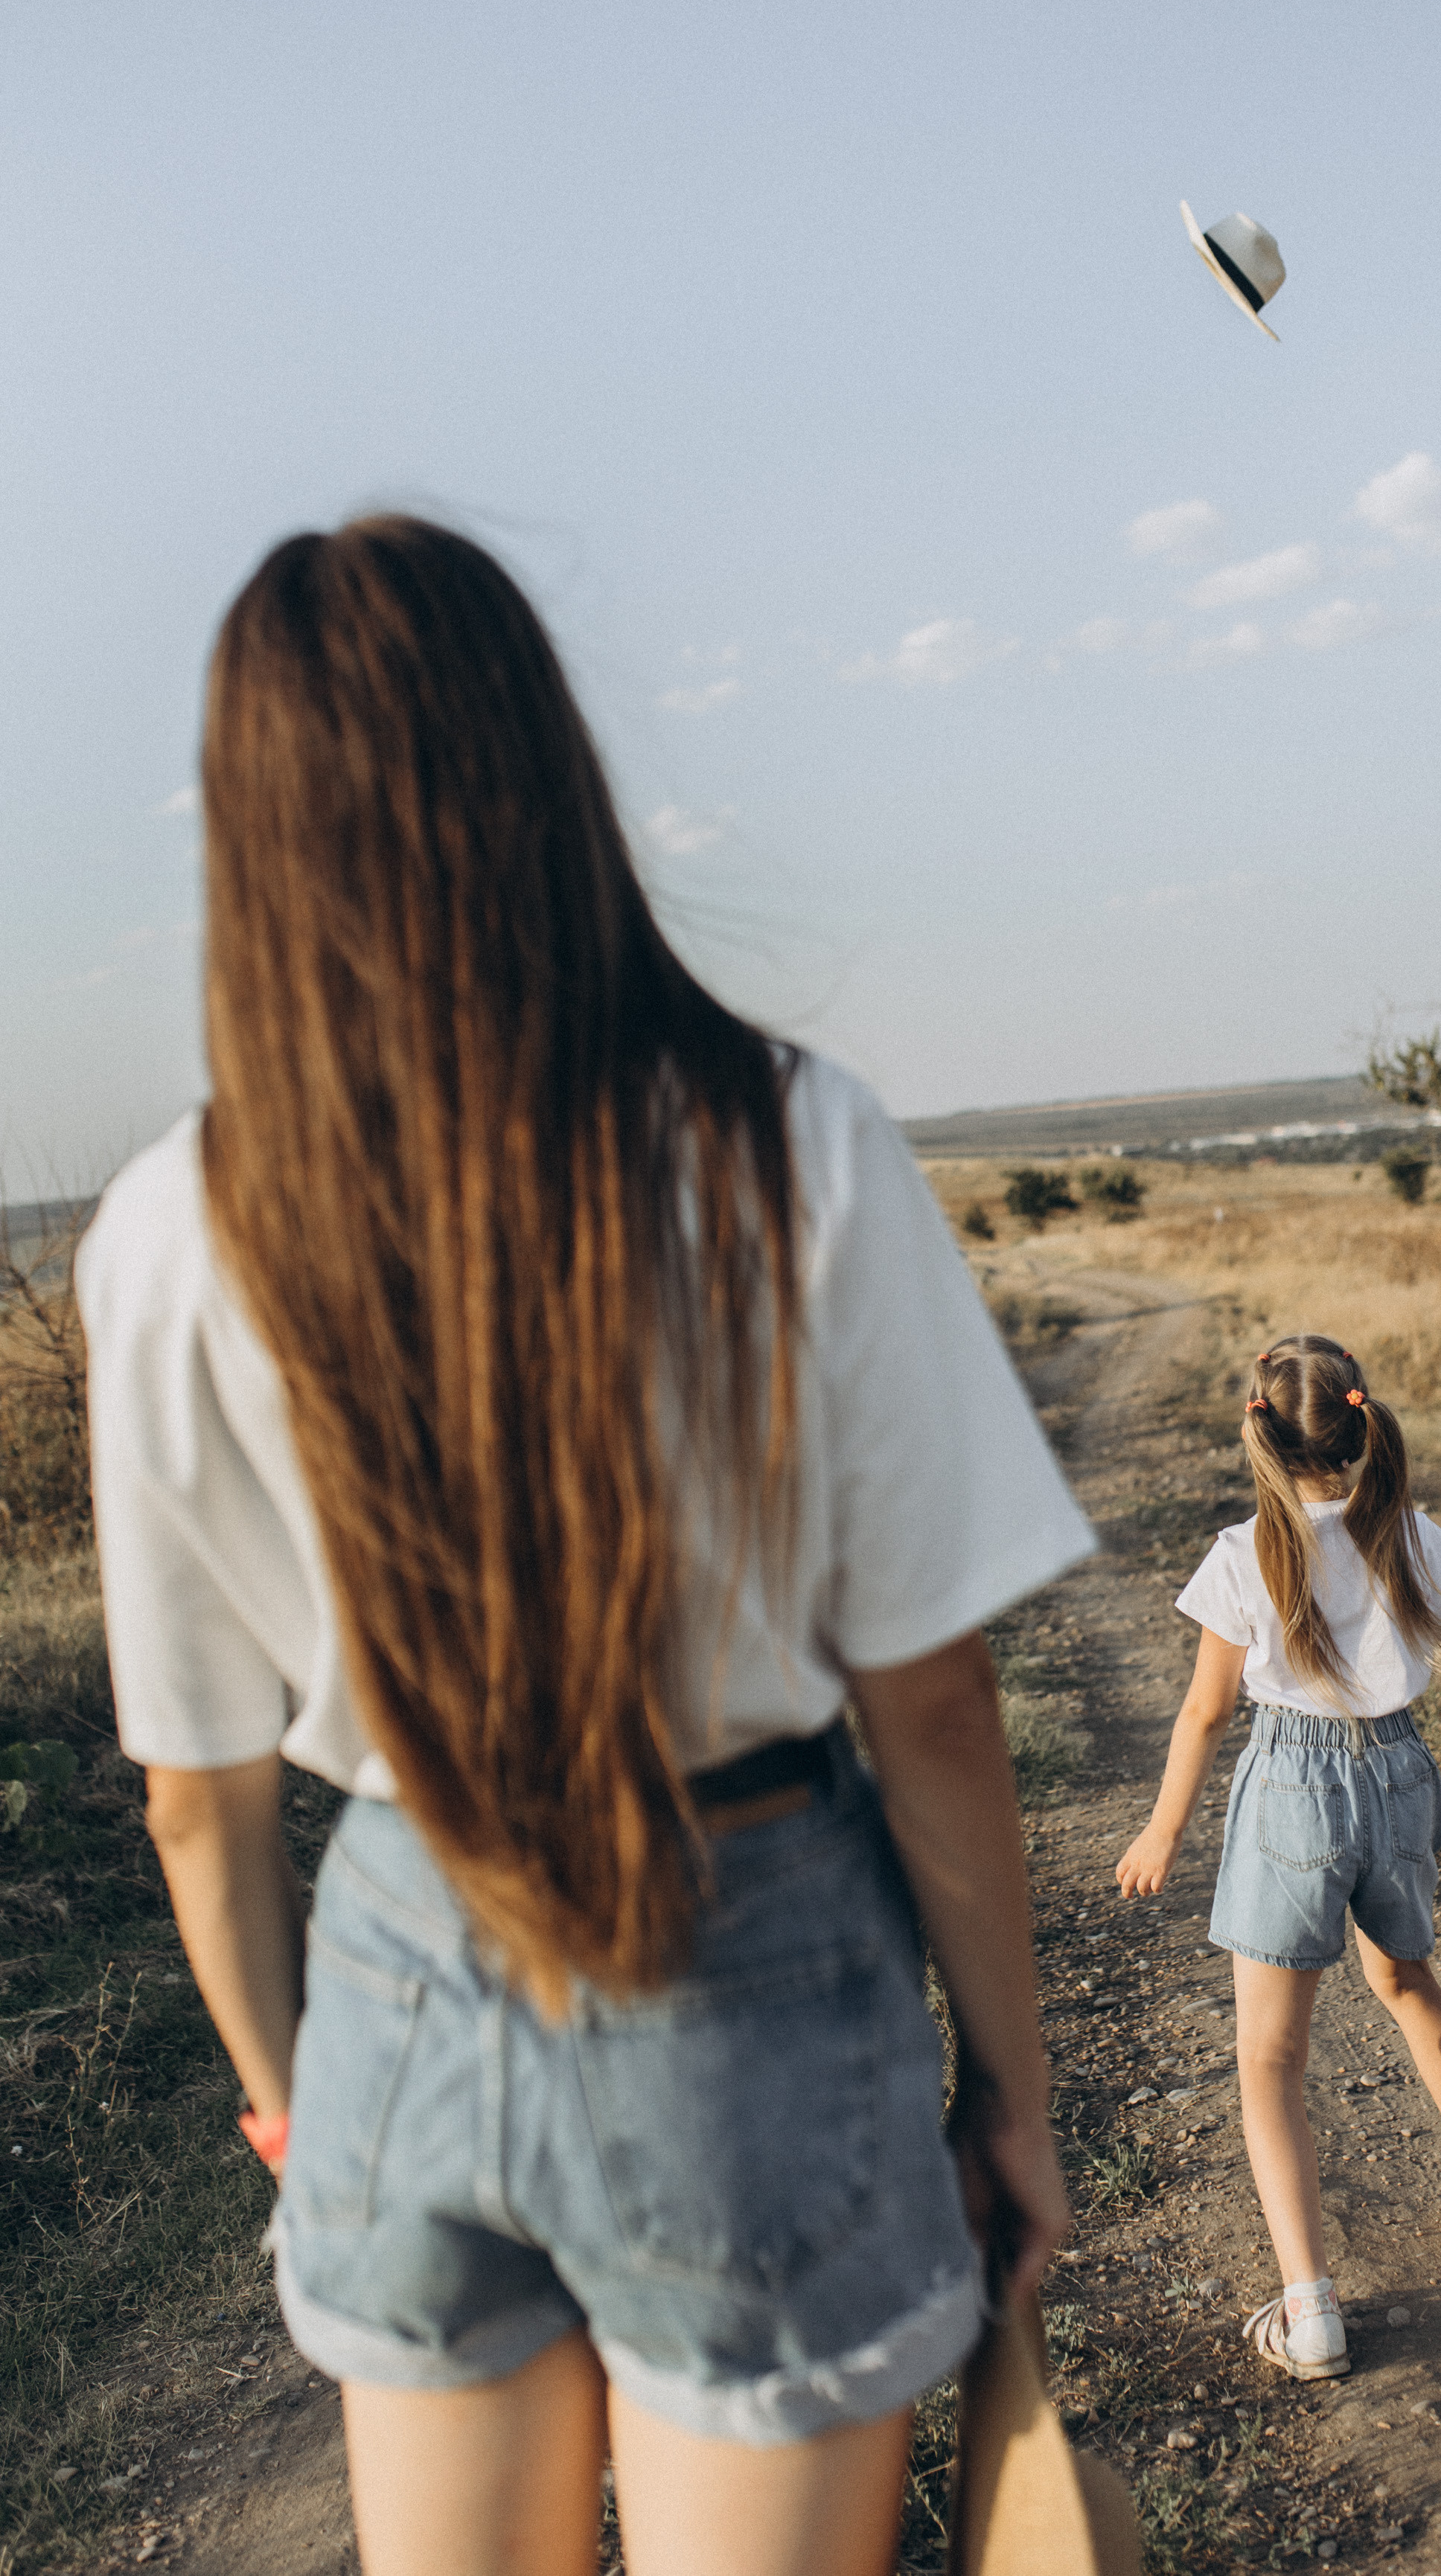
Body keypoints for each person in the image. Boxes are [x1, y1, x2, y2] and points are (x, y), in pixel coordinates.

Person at [76, 516, 1096, 2576]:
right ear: (541, 773)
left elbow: (198, 1801)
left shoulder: (166, 1232)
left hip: (388, 1954)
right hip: (742, 1952)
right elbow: (930, 1698)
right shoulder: (783, 1141)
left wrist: (299, 2111)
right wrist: (1008, 2089)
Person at [1113, 1333, 1441, 2382]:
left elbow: (1203, 1709)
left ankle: (1310, 2307)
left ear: (1255, 1430)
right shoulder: (1405, 1533)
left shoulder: (1243, 1552)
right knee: (1408, 1982)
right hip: (1401, 1779)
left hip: (1291, 1790)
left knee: (1269, 2057)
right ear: (1362, 1431)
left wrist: (1162, 1829)